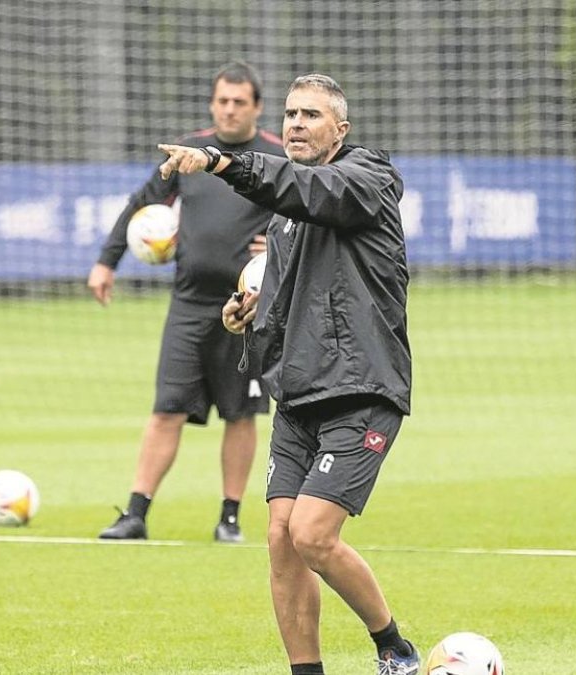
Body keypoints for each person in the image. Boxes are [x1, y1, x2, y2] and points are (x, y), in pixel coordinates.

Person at [157, 74, 420, 675]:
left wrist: (225, 163)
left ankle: (393, 645)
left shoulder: (366, 179)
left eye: (311, 115)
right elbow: (289, 301)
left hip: (361, 389)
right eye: (292, 114)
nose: (297, 124)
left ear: (341, 130)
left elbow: (309, 191)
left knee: (312, 535)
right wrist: (245, 317)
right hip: (300, 397)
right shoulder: (283, 222)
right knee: (280, 540)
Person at [90, 61, 284, 542]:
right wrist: (106, 261)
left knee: (240, 415)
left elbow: (303, 210)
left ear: (257, 108)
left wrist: (278, 243)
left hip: (247, 307)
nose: (230, 109)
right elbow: (141, 202)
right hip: (190, 305)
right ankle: (135, 513)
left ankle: (229, 519)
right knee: (166, 408)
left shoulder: (278, 157)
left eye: (240, 102)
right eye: (223, 100)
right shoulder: (190, 153)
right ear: (212, 103)